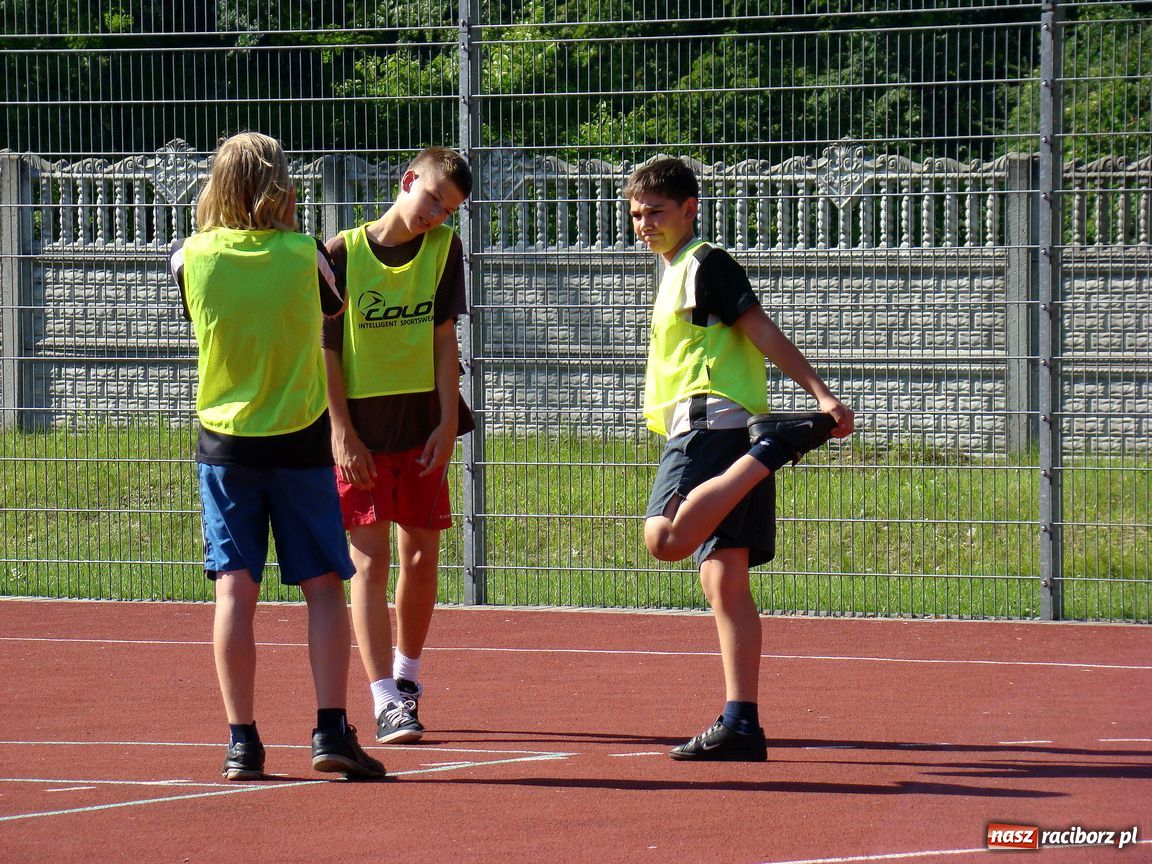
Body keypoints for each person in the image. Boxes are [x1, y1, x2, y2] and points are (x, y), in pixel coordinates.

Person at [170, 131, 386, 781]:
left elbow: (196, 311)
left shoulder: (190, 255)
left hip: (224, 443)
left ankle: (242, 741)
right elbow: (332, 307)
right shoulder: (305, 253)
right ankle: (330, 730)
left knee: (235, 589)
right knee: (323, 587)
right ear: (283, 189)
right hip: (298, 437)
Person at [625, 157, 855, 762]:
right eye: (636, 213)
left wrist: (821, 395)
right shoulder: (676, 270)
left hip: (712, 422)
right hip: (730, 430)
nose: (644, 222)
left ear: (690, 209)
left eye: (656, 212)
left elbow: (761, 328)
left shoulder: (703, 263)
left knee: (665, 538)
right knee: (724, 580)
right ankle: (741, 723)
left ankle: (775, 450)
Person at [322, 146, 475, 745]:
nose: (436, 214)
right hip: (362, 427)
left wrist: (445, 421)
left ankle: (408, 680)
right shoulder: (341, 252)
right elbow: (327, 349)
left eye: (449, 209)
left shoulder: (443, 251)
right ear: (408, 179)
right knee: (369, 560)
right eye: (433, 197)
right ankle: (383, 696)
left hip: (421, 426)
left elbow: (444, 341)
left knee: (420, 559)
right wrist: (341, 430)